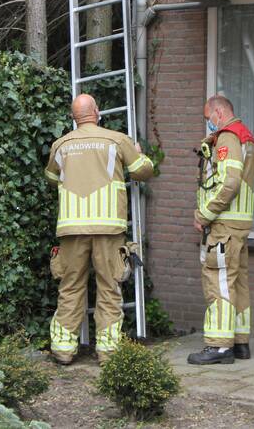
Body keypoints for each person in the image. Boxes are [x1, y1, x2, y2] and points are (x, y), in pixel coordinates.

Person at [44, 93, 154, 365]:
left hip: (71, 230)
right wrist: (138, 154)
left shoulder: (60, 145)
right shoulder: (116, 140)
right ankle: (107, 351)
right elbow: (143, 171)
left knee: (69, 288)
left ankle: (63, 349)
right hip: (108, 228)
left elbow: (50, 177)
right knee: (109, 286)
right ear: (97, 111)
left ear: (73, 117)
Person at [187, 95, 254, 365]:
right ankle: (240, 343)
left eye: (209, 118)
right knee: (238, 281)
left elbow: (229, 183)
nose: (209, 123)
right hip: (240, 223)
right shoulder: (245, 137)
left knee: (219, 281)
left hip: (224, 224)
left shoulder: (228, 137)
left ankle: (219, 346)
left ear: (219, 112)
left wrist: (205, 214)